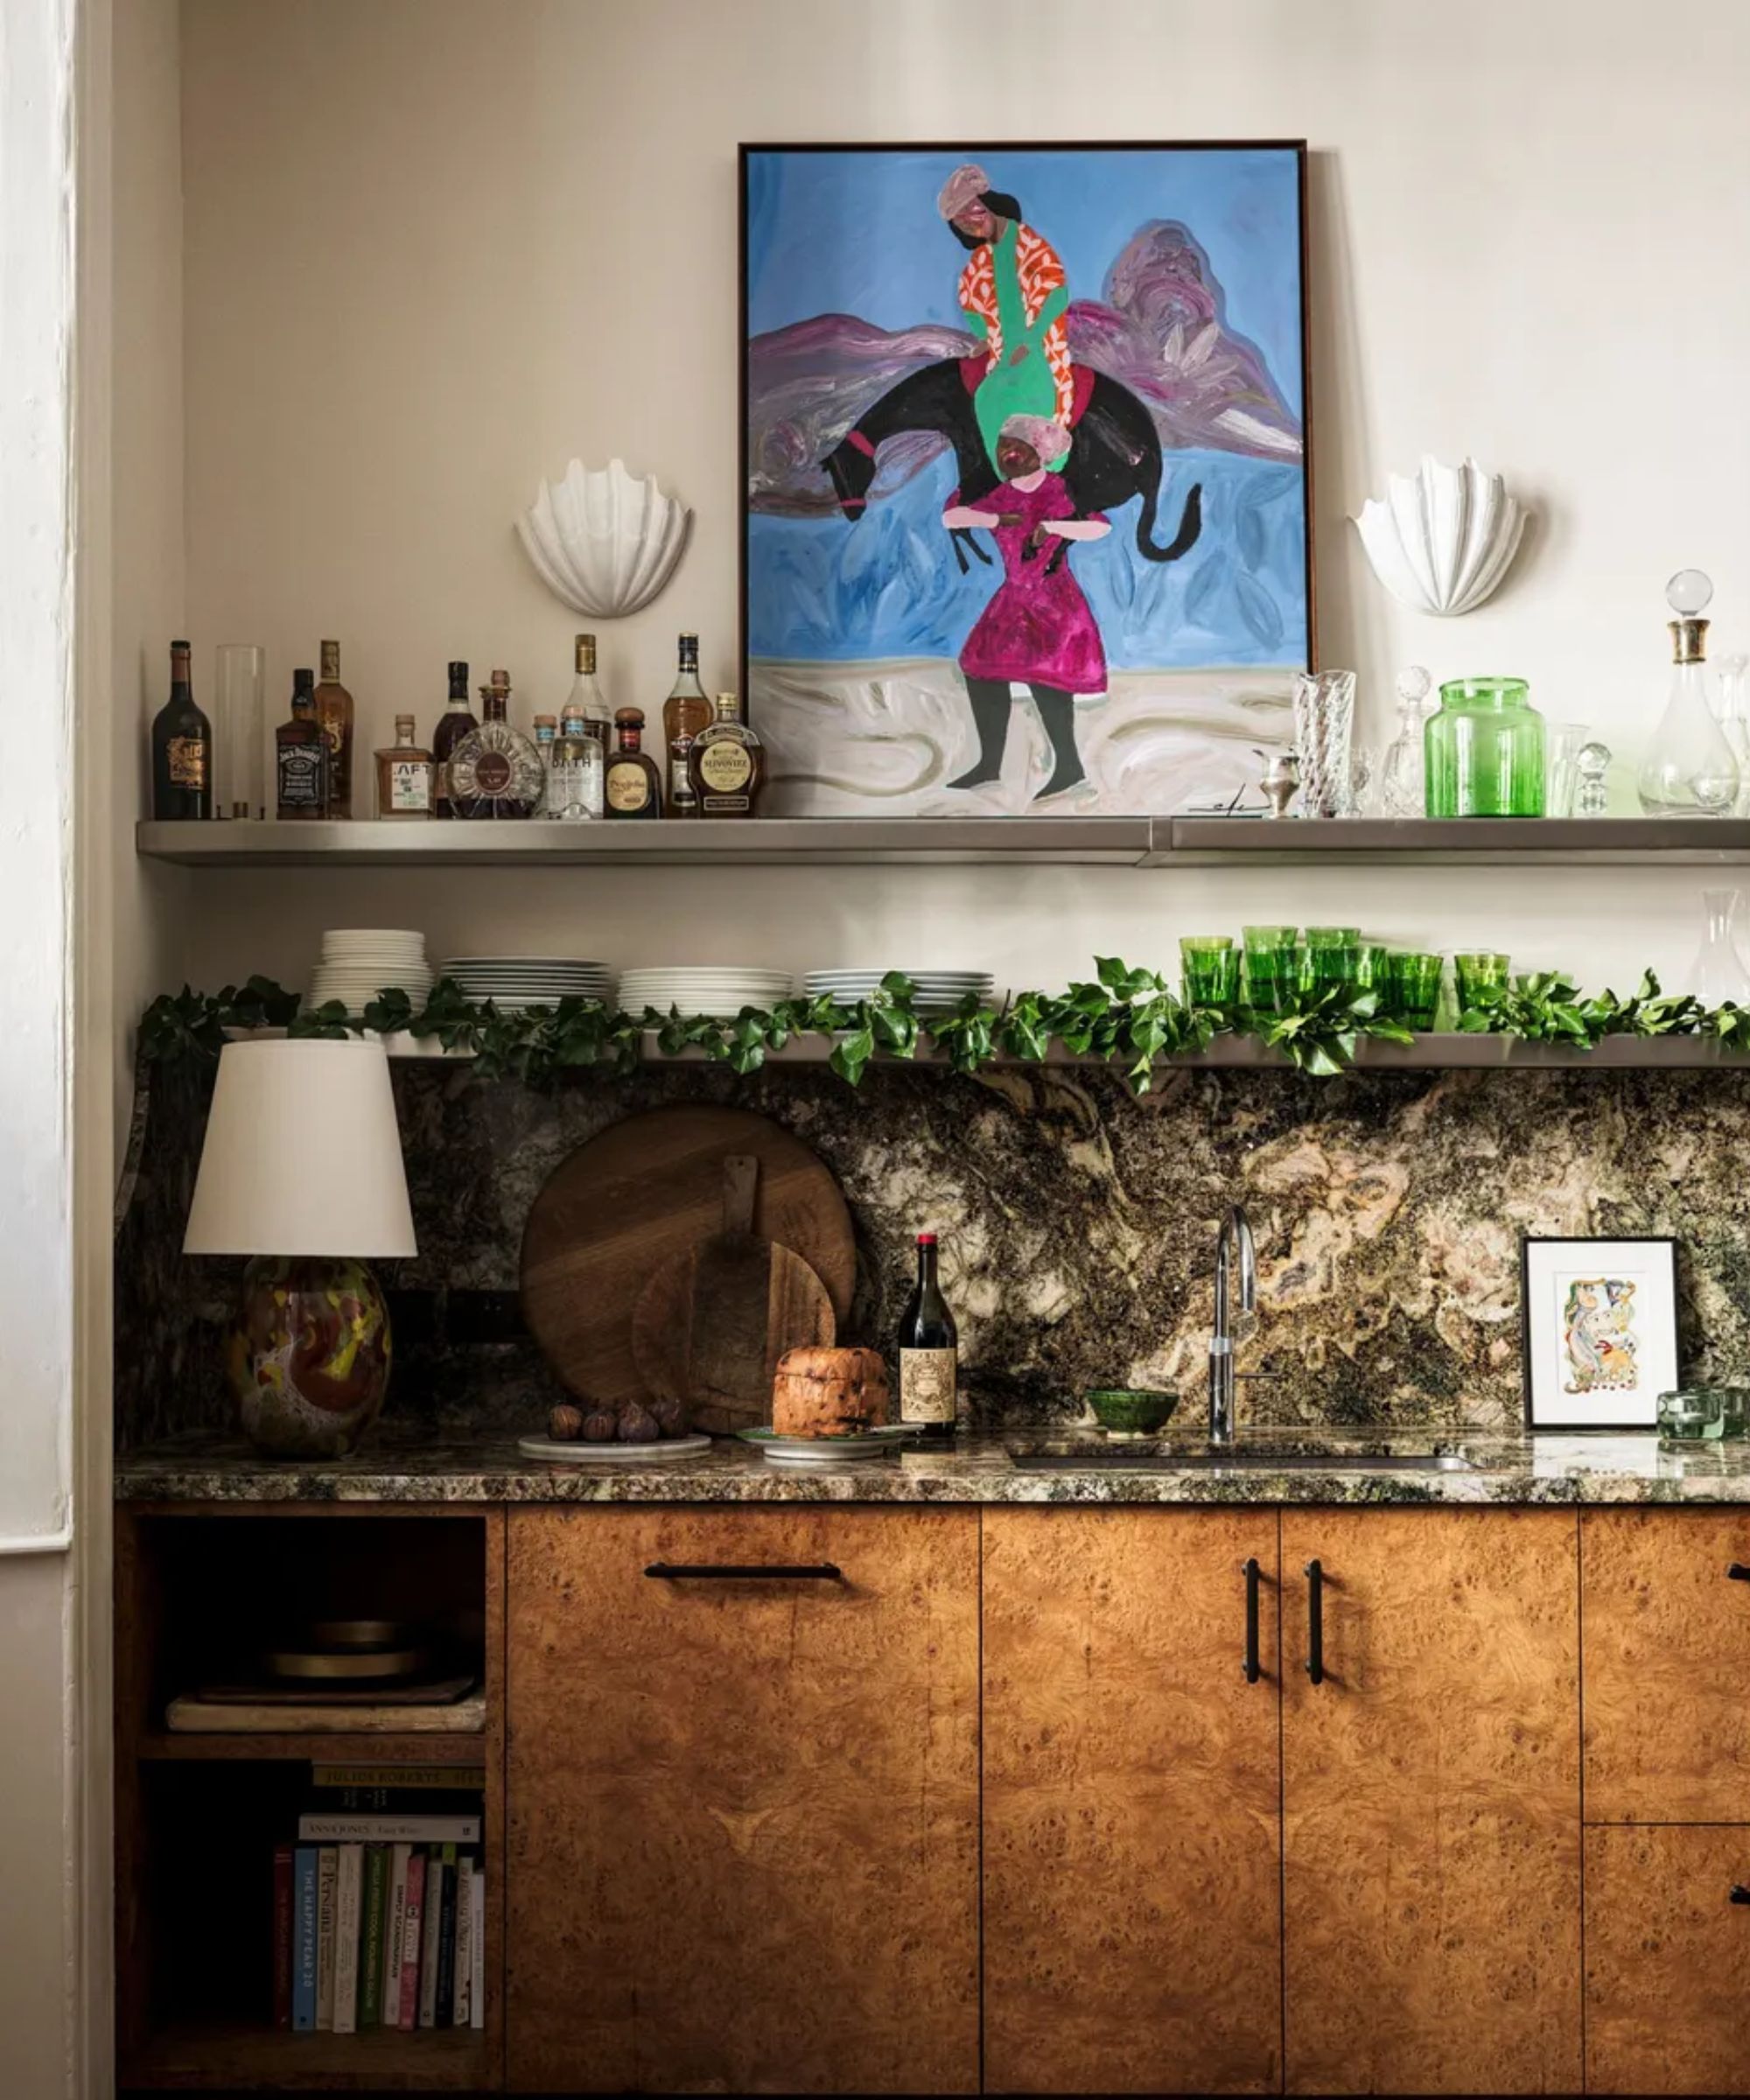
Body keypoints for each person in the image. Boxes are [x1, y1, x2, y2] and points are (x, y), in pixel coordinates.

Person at [942, 413, 1110, 802]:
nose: (1008, 455)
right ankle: (989, 765)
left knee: (1045, 677)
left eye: (1018, 448)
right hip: (1015, 596)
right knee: (980, 668)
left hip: (1054, 600)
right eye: (1003, 447)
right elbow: (952, 517)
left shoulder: (1060, 490)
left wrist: (1053, 527)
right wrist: (997, 517)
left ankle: (1069, 767)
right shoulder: (1003, 494)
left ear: (1041, 454)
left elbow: (1100, 526)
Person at [937, 162, 1074, 477]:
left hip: (1039, 348)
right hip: (1003, 352)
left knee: (1028, 404)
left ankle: (1043, 478)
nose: (973, 226)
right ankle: (1007, 483)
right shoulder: (979, 260)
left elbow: (1057, 294)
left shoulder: (1030, 243)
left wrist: (1031, 337)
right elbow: (969, 302)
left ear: (988, 205)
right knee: (987, 396)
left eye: (974, 215)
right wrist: (985, 337)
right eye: (963, 224)